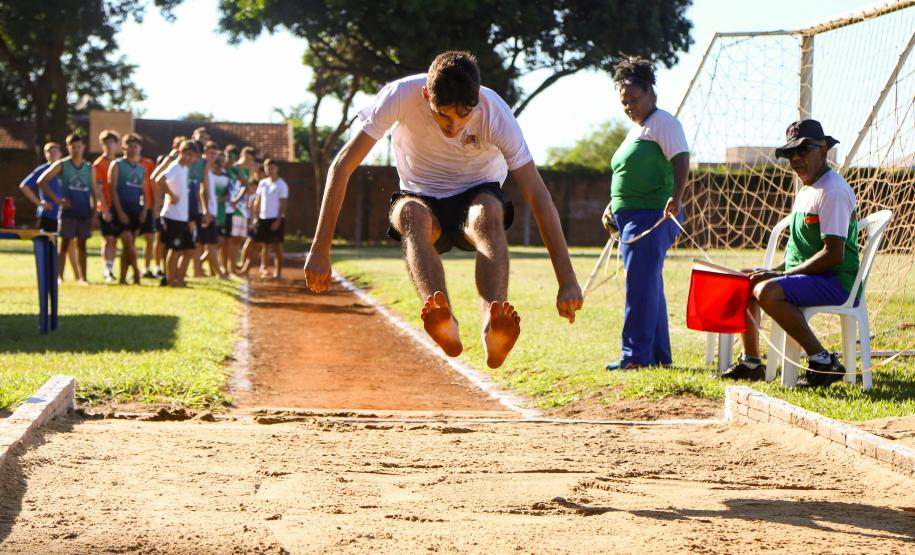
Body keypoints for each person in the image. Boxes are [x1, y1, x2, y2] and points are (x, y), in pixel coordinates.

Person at [304, 50, 583, 369]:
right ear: (426, 95)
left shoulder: (495, 113)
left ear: (476, 100)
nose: (454, 127)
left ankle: (493, 328)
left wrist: (567, 279)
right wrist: (320, 247)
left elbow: (537, 192)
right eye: (443, 115)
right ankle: (442, 318)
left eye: (464, 116)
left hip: (478, 190)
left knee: (487, 214)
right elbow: (342, 166)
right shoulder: (400, 95)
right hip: (420, 195)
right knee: (411, 214)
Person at [719, 119, 857, 388]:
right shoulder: (807, 189)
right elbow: (798, 253)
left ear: (824, 150)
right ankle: (751, 362)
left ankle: (823, 361)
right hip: (812, 278)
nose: (796, 158)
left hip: (837, 282)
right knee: (746, 280)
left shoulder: (833, 191)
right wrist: (777, 270)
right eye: (790, 153)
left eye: (804, 150)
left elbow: (834, 255)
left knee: (767, 291)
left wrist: (780, 276)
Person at [602, 57, 690, 370]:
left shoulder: (663, 122)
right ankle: (657, 356)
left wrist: (676, 198)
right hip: (630, 216)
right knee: (648, 284)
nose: (628, 106)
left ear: (650, 92)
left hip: (653, 216)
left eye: (634, 100)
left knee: (639, 286)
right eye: (623, 102)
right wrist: (613, 206)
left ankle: (635, 357)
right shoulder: (637, 129)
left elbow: (681, 160)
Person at [37, 133, 105, 284]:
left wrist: (94, 214)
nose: (76, 150)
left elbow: (94, 191)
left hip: (84, 212)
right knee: (65, 244)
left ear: (83, 147)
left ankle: (83, 278)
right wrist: (57, 200)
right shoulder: (62, 164)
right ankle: (59, 277)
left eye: (78, 147)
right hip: (68, 212)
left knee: (82, 245)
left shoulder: (89, 168)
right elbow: (41, 181)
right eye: (73, 147)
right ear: (68, 148)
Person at [19, 142, 80, 280]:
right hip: (48, 215)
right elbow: (24, 186)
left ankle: (78, 276)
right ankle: (53, 275)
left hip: (65, 214)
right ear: (45, 154)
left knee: (70, 244)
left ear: (60, 153)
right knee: (50, 247)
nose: (52, 154)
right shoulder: (42, 170)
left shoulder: (65, 168)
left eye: (55, 151)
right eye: (48, 151)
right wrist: (39, 203)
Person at [154, 140, 198, 287]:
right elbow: (159, 179)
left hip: (182, 217)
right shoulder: (175, 167)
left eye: (193, 156)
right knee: (174, 249)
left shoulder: (185, 169)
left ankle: (179, 280)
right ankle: (170, 281)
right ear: (181, 152)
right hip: (172, 216)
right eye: (188, 155)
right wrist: (171, 195)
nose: (190, 158)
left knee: (189, 250)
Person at [108, 133, 148, 284]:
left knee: (128, 247)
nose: (133, 149)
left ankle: (123, 279)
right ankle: (137, 272)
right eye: (130, 145)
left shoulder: (141, 169)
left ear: (140, 148)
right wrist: (120, 212)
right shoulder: (117, 165)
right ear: (124, 147)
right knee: (127, 241)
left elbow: (144, 192)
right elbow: (113, 190)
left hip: (135, 210)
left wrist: (144, 210)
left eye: (136, 146)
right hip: (121, 208)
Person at [252, 159, 288, 279]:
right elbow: (257, 200)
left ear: (277, 168)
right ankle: (265, 268)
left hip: (276, 219)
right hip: (263, 218)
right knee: (265, 246)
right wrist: (255, 217)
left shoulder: (282, 185)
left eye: (272, 167)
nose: (270, 170)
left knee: (277, 246)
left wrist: (278, 220)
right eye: (267, 168)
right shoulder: (262, 183)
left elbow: (283, 204)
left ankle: (278, 272)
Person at [93, 129, 121, 283]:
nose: (110, 146)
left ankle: (113, 268)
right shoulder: (98, 164)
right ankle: (107, 270)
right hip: (106, 207)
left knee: (116, 239)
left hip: (119, 207)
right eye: (107, 143)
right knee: (108, 238)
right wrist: (104, 209)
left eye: (112, 142)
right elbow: (98, 189)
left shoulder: (118, 163)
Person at [197, 141, 224, 278]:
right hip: (204, 211)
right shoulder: (203, 165)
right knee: (209, 243)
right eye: (209, 152)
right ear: (204, 152)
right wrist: (206, 211)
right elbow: (202, 191)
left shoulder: (209, 168)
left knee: (208, 243)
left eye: (214, 153)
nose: (212, 156)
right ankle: (217, 273)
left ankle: (201, 270)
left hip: (210, 211)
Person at [139, 153, 159, 279]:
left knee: (150, 238)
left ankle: (146, 268)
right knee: (130, 238)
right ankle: (133, 269)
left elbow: (153, 184)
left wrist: (156, 204)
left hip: (149, 206)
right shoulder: (120, 164)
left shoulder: (148, 163)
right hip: (132, 206)